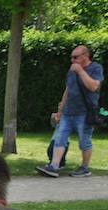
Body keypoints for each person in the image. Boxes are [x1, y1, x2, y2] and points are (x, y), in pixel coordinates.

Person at [37, 44, 102, 178]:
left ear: (85, 56)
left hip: (84, 113)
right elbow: (68, 90)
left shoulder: (95, 68)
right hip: (68, 112)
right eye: (71, 57)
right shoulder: (71, 71)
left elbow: (94, 86)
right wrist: (60, 111)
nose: (72, 60)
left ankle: (85, 167)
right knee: (60, 139)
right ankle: (54, 166)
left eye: (75, 57)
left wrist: (81, 71)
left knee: (84, 141)